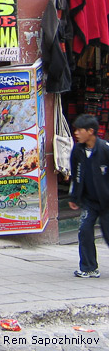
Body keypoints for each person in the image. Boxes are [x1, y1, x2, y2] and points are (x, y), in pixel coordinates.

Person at [68, 113, 109, 278]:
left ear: (90, 131)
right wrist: (74, 196)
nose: (76, 133)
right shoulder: (78, 151)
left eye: (79, 130)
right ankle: (88, 267)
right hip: (89, 201)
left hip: (107, 202)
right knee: (84, 230)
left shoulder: (105, 149)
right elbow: (75, 174)